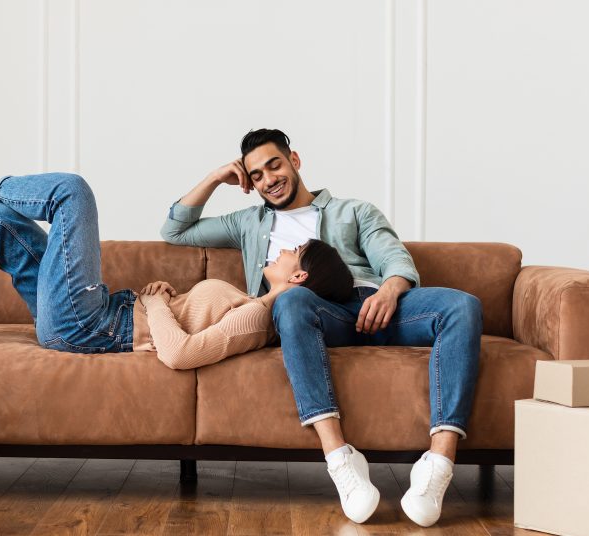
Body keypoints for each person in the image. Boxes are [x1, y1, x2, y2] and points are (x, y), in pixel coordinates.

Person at [160, 129, 482, 527]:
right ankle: (341, 461)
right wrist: (214, 178)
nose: (268, 179)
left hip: (378, 305)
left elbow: (394, 258)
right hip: (316, 316)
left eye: (273, 165)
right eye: (255, 175)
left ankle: (437, 464)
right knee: (291, 300)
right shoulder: (247, 223)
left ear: (294, 161)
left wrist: (390, 291)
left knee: (462, 305)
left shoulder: (355, 211)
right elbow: (174, 230)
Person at [0, 149, 355, 372]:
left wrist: (156, 303)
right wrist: (168, 298)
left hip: (92, 325)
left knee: (72, 192)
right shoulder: (253, 304)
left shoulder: (257, 315)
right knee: (0, 222)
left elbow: (180, 355)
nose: (283, 248)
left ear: (299, 275)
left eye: (292, 251)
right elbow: (176, 232)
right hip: (97, 317)